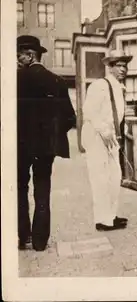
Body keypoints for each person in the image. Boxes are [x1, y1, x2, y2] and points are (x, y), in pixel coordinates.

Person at [17, 35, 76, 251]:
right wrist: (52, 135)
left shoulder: (14, 80)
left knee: (20, 188)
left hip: (20, 146)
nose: (17, 59)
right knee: (42, 188)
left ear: (30, 55)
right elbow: (70, 118)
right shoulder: (57, 81)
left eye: (19, 55)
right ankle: (40, 242)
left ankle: (23, 237)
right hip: (45, 148)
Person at [82, 49, 132, 232]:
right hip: (97, 136)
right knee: (100, 178)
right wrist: (103, 129)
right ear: (110, 67)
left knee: (114, 176)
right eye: (119, 65)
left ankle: (110, 215)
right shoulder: (99, 86)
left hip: (111, 137)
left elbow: (116, 114)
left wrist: (121, 129)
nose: (123, 69)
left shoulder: (119, 88)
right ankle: (102, 220)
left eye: (125, 66)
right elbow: (88, 111)